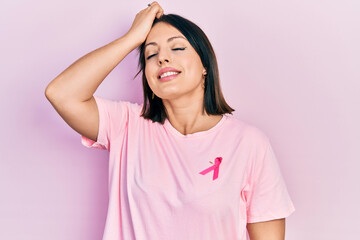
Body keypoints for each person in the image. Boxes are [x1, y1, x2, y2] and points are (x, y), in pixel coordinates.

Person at [45, 2, 295, 239]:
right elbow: (61, 94)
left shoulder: (249, 144)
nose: (162, 58)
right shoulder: (126, 125)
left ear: (205, 65)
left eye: (177, 48)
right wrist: (132, 38)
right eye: (151, 54)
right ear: (149, 81)